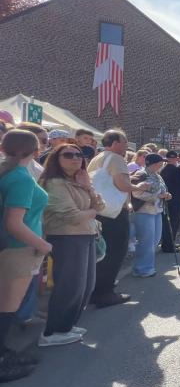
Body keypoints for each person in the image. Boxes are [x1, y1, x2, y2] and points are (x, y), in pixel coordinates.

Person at [38, 143, 104, 347]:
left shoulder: (78, 180)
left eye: (79, 155)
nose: (76, 158)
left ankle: (67, 324)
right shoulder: (54, 183)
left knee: (85, 285)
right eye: (68, 155)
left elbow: (101, 204)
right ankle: (53, 331)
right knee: (69, 285)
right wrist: (93, 213)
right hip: (65, 237)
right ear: (56, 159)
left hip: (85, 235)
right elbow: (72, 216)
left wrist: (88, 187)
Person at [0, 130, 51, 381]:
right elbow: (14, 223)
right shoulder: (20, 176)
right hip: (20, 250)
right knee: (7, 308)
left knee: (6, 307)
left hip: (12, 248)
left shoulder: (6, 171)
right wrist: (44, 245)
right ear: (36, 151)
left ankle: (4, 352)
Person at [87, 130, 149, 307]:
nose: (126, 147)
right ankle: (105, 293)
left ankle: (95, 290)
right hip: (114, 212)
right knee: (115, 251)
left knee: (102, 252)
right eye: (124, 142)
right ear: (114, 143)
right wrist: (139, 186)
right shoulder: (115, 158)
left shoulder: (97, 158)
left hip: (99, 210)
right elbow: (123, 185)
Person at [130, 154, 171, 277]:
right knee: (146, 240)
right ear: (152, 163)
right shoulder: (141, 174)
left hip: (157, 211)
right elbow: (136, 193)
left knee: (155, 239)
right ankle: (142, 268)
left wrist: (167, 195)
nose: (162, 164)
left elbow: (162, 190)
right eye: (160, 163)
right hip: (144, 211)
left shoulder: (157, 175)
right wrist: (157, 196)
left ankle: (144, 265)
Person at [160, 150, 180, 253]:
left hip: (165, 198)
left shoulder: (163, 170)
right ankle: (170, 245)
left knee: (166, 222)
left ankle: (166, 244)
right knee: (175, 222)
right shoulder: (179, 170)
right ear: (176, 159)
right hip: (176, 198)